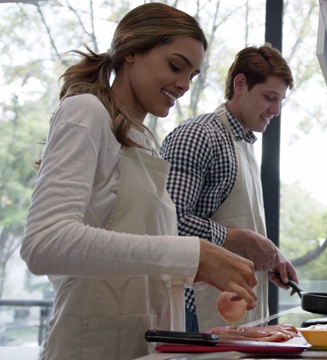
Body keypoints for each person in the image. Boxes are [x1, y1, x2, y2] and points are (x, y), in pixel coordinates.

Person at [20, 4, 258, 359]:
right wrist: (190, 253)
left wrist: (195, 270)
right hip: (91, 346)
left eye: (191, 76)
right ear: (131, 50)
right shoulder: (86, 112)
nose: (182, 84)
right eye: (176, 66)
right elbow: (44, 243)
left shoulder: (142, 140)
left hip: (142, 343)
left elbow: (135, 257)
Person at [160, 44, 299, 332]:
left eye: (280, 101)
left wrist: (270, 254)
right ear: (240, 84)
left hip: (234, 310)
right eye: (269, 97)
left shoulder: (243, 143)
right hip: (193, 312)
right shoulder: (198, 135)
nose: (275, 110)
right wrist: (245, 240)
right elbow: (168, 225)